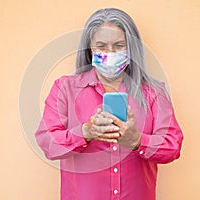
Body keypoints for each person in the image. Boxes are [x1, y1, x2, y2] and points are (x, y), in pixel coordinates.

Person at [35, 8, 183, 200]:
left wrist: (137, 141)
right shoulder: (65, 88)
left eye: (119, 45)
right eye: (101, 46)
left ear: (131, 48)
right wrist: (85, 133)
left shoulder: (155, 93)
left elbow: (172, 146)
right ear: (90, 49)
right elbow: (47, 142)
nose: (110, 53)